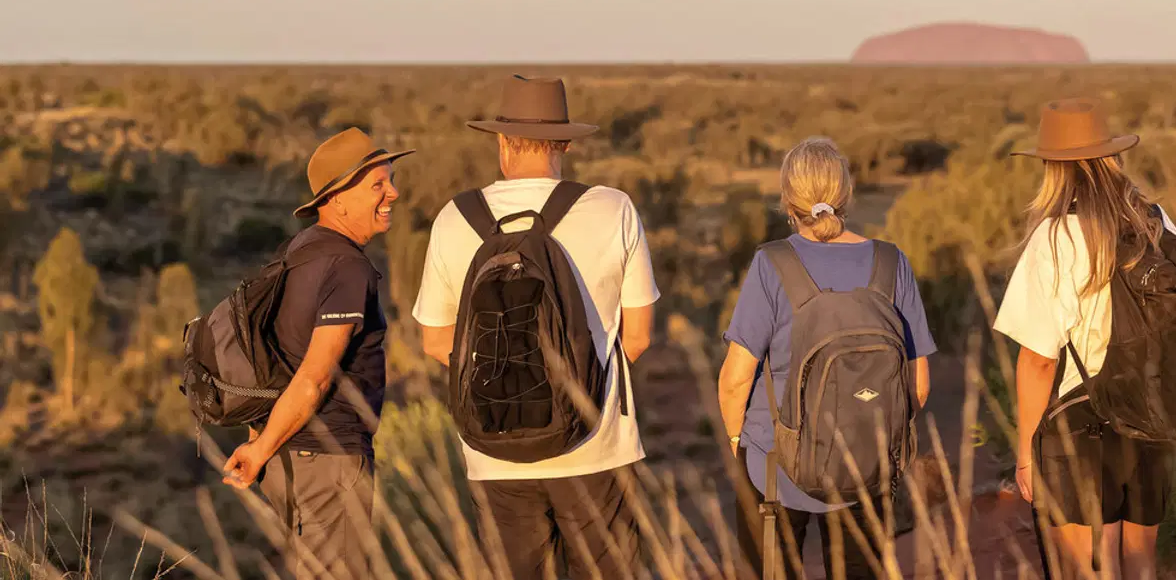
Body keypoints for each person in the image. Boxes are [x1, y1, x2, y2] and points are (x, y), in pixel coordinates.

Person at [412, 74, 659, 580]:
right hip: (598, 445)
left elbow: (437, 341)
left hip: (494, 452)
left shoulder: (454, 218)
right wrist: (575, 388)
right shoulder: (613, 209)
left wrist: (509, 384)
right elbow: (638, 337)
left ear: (502, 142)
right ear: (565, 143)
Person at [717, 137, 937, 580]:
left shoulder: (771, 264)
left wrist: (740, 444)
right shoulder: (891, 264)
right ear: (846, 194)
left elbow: (736, 379)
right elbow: (919, 384)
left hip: (776, 466)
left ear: (787, 200)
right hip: (867, 467)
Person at [994, 99, 1176, 580]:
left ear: (1055, 168)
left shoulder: (1056, 238)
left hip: (1081, 422)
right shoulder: (1157, 221)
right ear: (1110, 157)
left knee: (1091, 569)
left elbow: (1037, 361)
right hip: (1152, 413)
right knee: (1140, 565)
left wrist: (1025, 456)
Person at [223, 127, 413, 580]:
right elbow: (314, 378)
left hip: (291, 459)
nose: (394, 193)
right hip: (326, 461)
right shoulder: (348, 268)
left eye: (390, 180)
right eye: (377, 185)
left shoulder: (299, 250)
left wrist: (263, 444)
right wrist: (259, 452)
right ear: (338, 199)